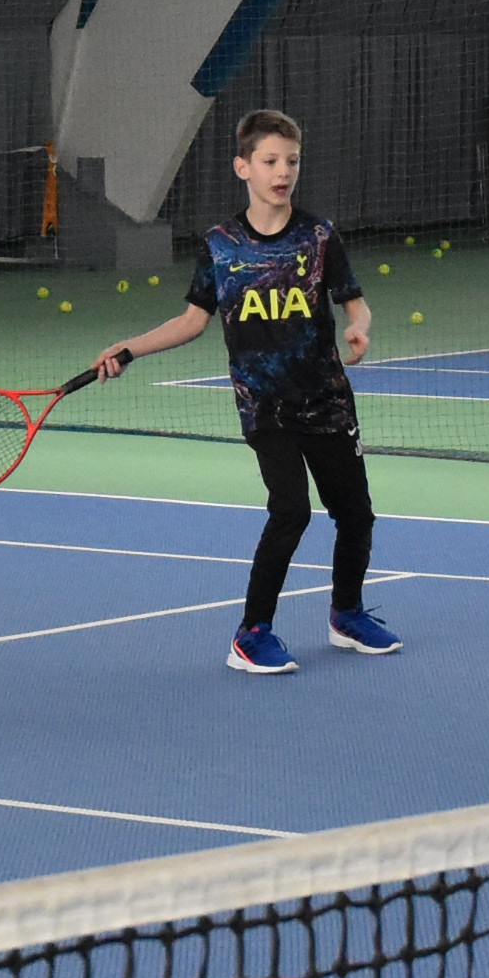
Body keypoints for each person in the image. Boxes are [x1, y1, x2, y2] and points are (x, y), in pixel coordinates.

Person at [92, 107, 397, 676]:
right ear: (243, 167)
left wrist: (359, 325)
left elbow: (354, 302)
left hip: (327, 399)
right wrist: (129, 348)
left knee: (356, 514)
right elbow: (192, 321)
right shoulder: (221, 244)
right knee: (291, 511)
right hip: (265, 405)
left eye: (292, 161)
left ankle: (347, 615)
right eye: (271, 161)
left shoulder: (319, 236)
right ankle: (252, 633)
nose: (283, 172)